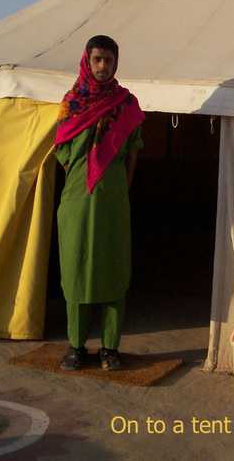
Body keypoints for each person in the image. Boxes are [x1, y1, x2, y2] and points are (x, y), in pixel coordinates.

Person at [53, 35, 145, 371]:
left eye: (108, 60)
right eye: (97, 60)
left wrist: (118, 188)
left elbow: (133, 153)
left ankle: (109, 348)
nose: (103, 66)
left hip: (113, 203)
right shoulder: (71, 103)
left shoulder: (127, 104)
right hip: (77, 201)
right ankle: (76, 347)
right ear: (87, 61)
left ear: (116, 62)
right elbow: (62, 154)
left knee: (113, 271)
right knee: (76, 271)